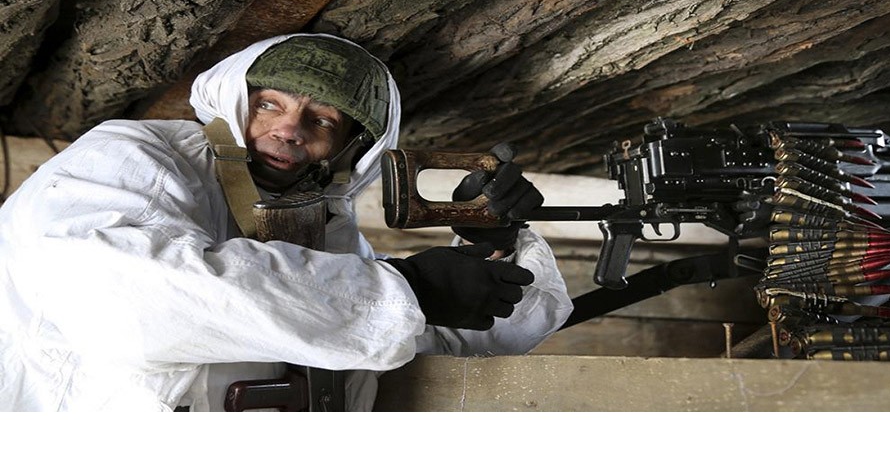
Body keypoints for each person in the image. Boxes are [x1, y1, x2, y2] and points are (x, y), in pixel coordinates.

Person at [0, 33, 573, 411]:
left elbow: (429, 336)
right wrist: (407, 289)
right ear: (234, 98)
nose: (289, 129)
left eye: (321, 120)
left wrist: (490, 243)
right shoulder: (133, 158)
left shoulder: (325, 228)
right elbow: (128, 299)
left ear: (351, 148)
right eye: (269, 104)